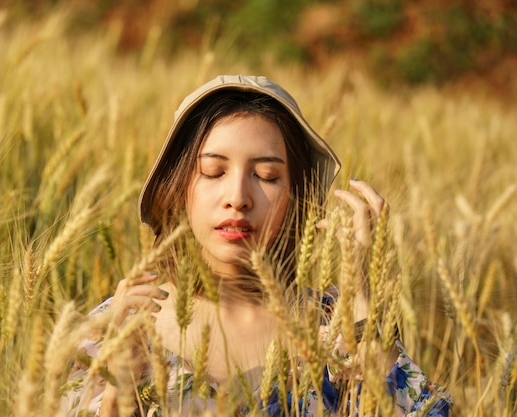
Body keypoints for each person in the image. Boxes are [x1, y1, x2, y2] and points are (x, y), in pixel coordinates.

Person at [61, 75, 451, 416]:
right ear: (179, 187)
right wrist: (115, 393)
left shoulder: (336, 329)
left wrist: (363, 306)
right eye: (213, 172)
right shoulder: (124, 322)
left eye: (266, 176)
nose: (238, 197)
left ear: (299, 197)